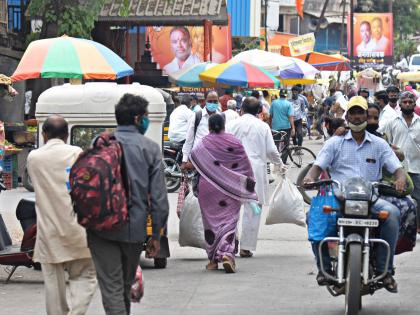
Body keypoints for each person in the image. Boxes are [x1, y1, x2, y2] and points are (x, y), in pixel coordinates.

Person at [304, 96, 405, 292]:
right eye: (353, 113)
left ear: (367, 116)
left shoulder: (379, 144)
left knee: (392, 214)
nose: (357, 117)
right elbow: (317, 166)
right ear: (347, 116)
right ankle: (323, 268)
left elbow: (397, 168)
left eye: (361, 113)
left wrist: (400, 178)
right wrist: (309, 178)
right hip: (338, 197)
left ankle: (386, 270)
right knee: (313, 217)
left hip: (370, 199)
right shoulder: (335, 142)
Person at [87, 94, 169, 314]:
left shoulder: (100, 142)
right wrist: (156, 236)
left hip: (100, 227)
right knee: (123, 284)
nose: (147, 121)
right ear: (137, 119)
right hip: (133, 229)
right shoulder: (150, 149)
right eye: (146, 117)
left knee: (112, 286)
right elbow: (160, 200)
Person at [27, 115, 97, 315]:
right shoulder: (77, 153)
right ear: (67, 135)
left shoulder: (34, 157)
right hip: (78, 229)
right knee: (86, 275)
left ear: (44, 134)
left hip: (49, 232)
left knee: (53, 284)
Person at [190, 114, 258, 273]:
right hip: (230, 189)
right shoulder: (234, 142)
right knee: (229, 221)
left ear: (209, 127)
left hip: (208, 189)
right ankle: (227, 253)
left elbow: (193, 158)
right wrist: (249, 184)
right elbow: (245, 165)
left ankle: (213, 260)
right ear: (224, 125)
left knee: (210, 223)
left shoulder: (203, 143)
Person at [226, 97, 285, 258]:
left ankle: (229, 244)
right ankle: (246, 247)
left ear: (241, 109)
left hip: (233, 170)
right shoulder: (263, 126)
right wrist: (280, 165)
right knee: (253, 209)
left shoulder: (231, 125)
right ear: (259, 111)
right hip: (255, 172)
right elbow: (272, 151)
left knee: (231, 209)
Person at [382, 91, 420, 233]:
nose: (407, 104)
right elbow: (385, 141)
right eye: (405, 102)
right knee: (396, 196)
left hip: (417, 166)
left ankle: (417, 226)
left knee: (418, 198)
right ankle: (398, 226)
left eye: (410, 102)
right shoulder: (392, 122)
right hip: (397, 168)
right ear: (400, 104)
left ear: (414, 104)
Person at [181, 91, 220, 168]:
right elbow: (189, 139)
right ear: (205, 101)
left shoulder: (221, 117)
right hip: (198, 160)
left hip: (215, 161)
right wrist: (184, 160)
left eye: (215, 101)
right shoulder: (197, 116)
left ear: (218, 101)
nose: (212, 103)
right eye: (210, 101)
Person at [269, 88, 295, 163]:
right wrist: (293, 128)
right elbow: (290, 116)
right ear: (286, 95)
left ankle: (276, 161)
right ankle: (283, 161)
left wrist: (270, 125)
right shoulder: (288, 104)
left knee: (275, 144)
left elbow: (270, 116)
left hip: (275, 127)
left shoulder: (274, 103)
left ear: (279, 94)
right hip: (286, 127)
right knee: (286, 145)